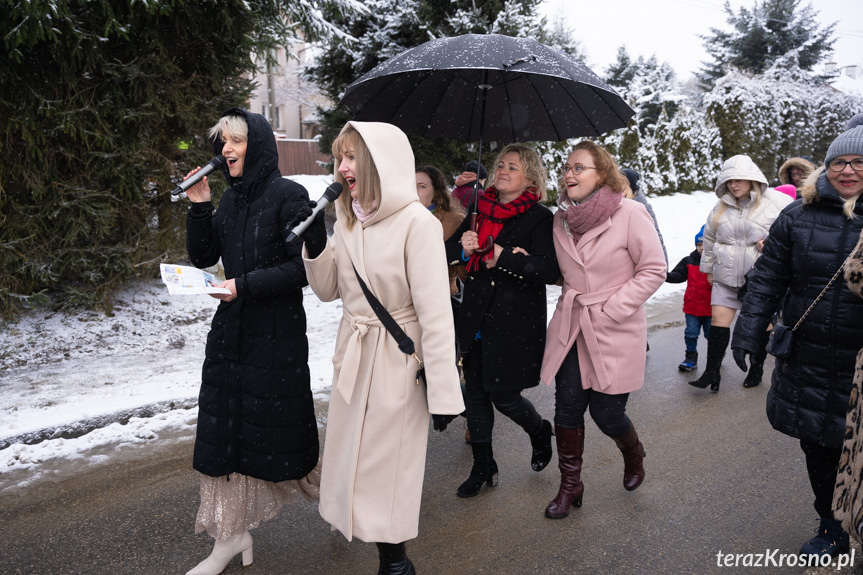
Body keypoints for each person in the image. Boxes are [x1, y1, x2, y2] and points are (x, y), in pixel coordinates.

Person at [300, 121, 464, 574]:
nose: (343, 166)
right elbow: (330, 289)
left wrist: (445, 393)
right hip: (354, 354)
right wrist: (318, 242)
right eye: (339, 156)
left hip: (397, 360)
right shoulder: (349, 217)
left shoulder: (417, 224)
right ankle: (380, 550)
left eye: (353, 156)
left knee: (388, 469)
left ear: (379, 162)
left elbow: (436, 314)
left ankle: (395, 563)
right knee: (351, 455)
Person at [182, 108, 323, 575]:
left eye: (235, 141)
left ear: (257, 145)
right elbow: (204, 256)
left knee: (283, 438)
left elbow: (299, 269)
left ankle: (344, 505)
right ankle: (230, 535)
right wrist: (200, 206)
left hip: (275, 337)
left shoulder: (290, 194)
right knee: (227, 437)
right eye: (222, 142)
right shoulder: (228, 200)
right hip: (231, 334)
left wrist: (244, 286)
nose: (225, 149)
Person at [733, 114, 863, 559]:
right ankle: (832, 527)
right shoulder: (798, 215)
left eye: (859, 162)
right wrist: (747, 334)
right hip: (809, 357)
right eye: (838, 162)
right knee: (820, 444)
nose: (847, 170)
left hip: (859, 362)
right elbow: (767, 278)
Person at [539, 141, 666, 519]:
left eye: (579, 168)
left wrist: (614, 309)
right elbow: (561, 271)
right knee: (567, 407)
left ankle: (633, 452)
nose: (568, 174)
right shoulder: (560, 219)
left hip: (614, 325)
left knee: (607, 414)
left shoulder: (630, 213)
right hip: (572, 324)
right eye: (567, 167)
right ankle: (570, 484)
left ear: (602, 174)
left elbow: (654, 268)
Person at [443, 143, 560, 498]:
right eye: (501, 165)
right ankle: (483, 465)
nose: (503, 171)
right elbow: (449, 251)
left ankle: (539, 430)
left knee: (505, 397)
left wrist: (504, 256)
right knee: (476, 394)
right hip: (476, 316)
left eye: (513, 167)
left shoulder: (540, 218)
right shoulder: (479, 207)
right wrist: (465, 246)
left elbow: (550, 270)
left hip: (514, 321)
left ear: (530, 178)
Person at [691, 154, 792, 392]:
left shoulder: (777, 202)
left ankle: (756, 367)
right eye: (728, 181)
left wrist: (772, 244)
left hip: (759, 280)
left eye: (738, 180)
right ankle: (712, 372)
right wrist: (708, 269)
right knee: (718, 322)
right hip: (725, 275)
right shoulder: (721, 205)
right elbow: (710, 238)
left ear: (752, 178)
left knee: (760, 325)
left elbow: (793, 233)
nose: (733, 185)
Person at [666, 225, 712, 372]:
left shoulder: (717, 262)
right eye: (699, 244)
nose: (702, 248)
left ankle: (715, 356)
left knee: (711, 334)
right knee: (691, 333)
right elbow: (677, 276)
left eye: (705, 244)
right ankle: (690, 357)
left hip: (712, 307)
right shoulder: (688, 261)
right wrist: (663, 274)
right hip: (692, 307)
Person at [621, 167, 668, 266]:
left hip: (639, 262)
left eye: (622, 183)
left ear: (629, 186)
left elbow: (656, 237)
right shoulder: (617, 205)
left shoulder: (643, 207)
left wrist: (662, 265)